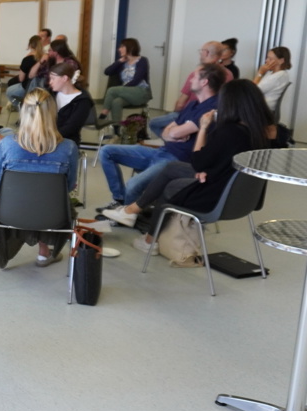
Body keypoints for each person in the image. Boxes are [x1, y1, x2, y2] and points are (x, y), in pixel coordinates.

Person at [101, 81, 273, 256]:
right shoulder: (263, 133)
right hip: (241, 196)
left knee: (170, 187)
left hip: (217, 196)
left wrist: (203, 129)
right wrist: (205, 168)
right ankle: (132, 211)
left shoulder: (230, 132)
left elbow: (197, 161)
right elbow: (221, 162)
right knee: (172, 168)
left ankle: (148, 239)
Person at [98, 63, 224, 210]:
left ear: (204, 82)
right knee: (106, 151)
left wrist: (174, 132)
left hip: (175, 161)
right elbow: (167, 131)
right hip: (161, 152)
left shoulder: (211, 108)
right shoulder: (192, 105)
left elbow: (174, 132)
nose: (190, 80)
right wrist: (173, 133)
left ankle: (127, 214)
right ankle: (120, 200)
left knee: (133, 184)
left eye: (194, 77)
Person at [0, 88, 79, 267]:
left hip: (10, 214)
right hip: (53, 216)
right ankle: (44, 253)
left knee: (26, 199)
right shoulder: (68, 148)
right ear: (53, 113)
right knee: (49, 201)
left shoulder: (7, 145)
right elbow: (68, 187)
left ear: (23, 111)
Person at [148, 41, 233, 138]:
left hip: (190, 113)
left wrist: (176, 114)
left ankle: (172, 144)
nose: (200, 53)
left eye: (201, 51)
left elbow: (181, 103)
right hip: (214, 115)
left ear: (206, 53)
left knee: (153, 123)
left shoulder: (198, 73)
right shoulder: (228, 74)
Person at [100, 38, 151, 122]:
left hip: (141, 92)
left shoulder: (142, 60)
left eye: (122, 47)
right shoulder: (122, 62)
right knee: (116, 102)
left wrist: (121, 89)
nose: (119, 49)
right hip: (126, 92)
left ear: (130, 47)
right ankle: (116, 130)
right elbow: (107, 72)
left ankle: (102, 116)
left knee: (112, 90)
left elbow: (137, 80)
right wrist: (119, 61)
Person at [47, 62, 93, 145]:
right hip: (47, 138)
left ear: (64, 78)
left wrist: (47, 138)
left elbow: (70, 128)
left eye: (53, 78)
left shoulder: (83, 101)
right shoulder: (50, 94)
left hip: (66, 142)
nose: (50, 82)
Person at [5, 35, 42, 109]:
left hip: (27, 88)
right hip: (41, 88)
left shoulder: (27, 60)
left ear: (30, 45)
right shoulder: (44, 58)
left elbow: (21, 78)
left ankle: (21, 108)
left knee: (9, 92)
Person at [253, 46, 292, 111]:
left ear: (281, 61)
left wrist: (260, 73)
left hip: (262, 109)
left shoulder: (279, 76)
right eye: (267, 58)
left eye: (270, 59)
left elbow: (253, 91)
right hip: (258, 105)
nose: (266, 61)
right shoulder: (271, 73)